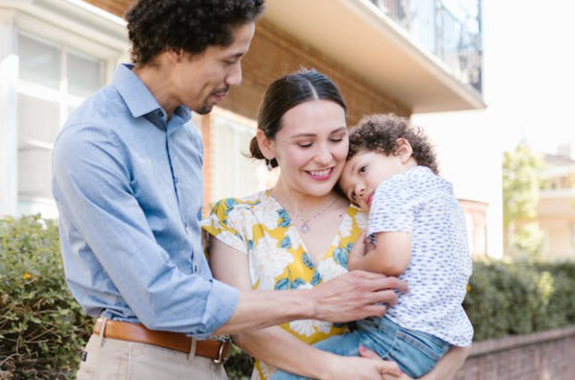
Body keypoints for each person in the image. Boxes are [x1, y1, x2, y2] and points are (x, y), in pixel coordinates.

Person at [51, 1, 406, 379]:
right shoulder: (94, 141)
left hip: (206, 362)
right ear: (176, 48)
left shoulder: (184, 134)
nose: (237, 77)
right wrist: (314, 302)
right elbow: (158, 297)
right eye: (228, 60)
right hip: (140, 362)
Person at [202, 70, 471, 380]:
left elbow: (450, 315)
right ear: (267, 143)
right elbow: (241, 326)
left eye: (336, 139)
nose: (325, 157)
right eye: (305, 144)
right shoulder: (236, 219)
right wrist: (337, 369)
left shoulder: (377, 216)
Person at [271, 114, 473, 380]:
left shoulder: (393, 189)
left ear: (402, 150)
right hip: (436, 344)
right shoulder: (444, 197)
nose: (362, 190)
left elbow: (392, 260)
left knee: (290, 376)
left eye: (363, 170)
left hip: (395, 335)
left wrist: (356, 263)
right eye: (354, 194)